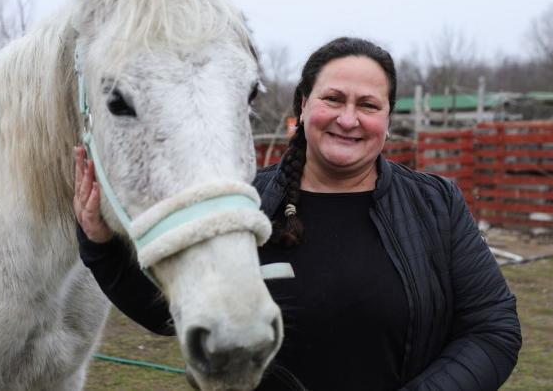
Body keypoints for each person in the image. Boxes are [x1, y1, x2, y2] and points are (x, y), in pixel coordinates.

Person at [74, 37, 522, 390]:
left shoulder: (435, 205)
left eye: (368, 105)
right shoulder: (246, 204)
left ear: (387, 119)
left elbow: (492, 329)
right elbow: (171, 313)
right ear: (303, 106)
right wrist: (100, 247)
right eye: (333, 99)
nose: (348, 119)